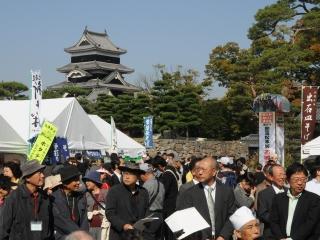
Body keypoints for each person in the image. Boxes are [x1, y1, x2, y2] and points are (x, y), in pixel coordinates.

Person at [177, 156, 236, 240]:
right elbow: (184, 220)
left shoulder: (227, 191)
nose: (200, 173)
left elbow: (232, 215)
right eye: (198, 169)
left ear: (214, 172)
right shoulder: (189, 194)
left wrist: (223, 236)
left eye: (203, 169)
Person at [0, 160, 54, 240]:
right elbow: (2, 228)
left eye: (42, 172)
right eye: (39, 173)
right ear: (28, 178)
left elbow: (50, 225)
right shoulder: (14, 197)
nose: (43, 176)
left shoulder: (45, 197)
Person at [270, 162, 320, 239]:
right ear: (288, 180)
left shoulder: (314, 199)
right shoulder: (278, 198)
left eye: (303, 179)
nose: (300, 183)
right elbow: (274, 221)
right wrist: (280, 238)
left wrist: (292, 239)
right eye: (296, 179)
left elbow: (310, 224)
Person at [105, 161, 149, 240]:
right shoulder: (114, 191)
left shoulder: (143, 192)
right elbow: (110, 212)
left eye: (130, 174)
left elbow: (146, 212)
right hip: (119, 235)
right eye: (125, 173)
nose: (126, 177)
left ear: (138, 176)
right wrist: (123, 225)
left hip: (137, 235)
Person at [52, 165, 89, 240]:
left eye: (78, 179)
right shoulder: (54, 199)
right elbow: (60, 221)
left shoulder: (81, 197)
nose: (78, 182)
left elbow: (84, 220)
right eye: (75, 180)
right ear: (65, 183)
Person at [257, 164, 286, 239]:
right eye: (280, 175)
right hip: (271, 234)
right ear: (271, 177)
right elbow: (262, 214)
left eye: (284, 174)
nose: (283, 177)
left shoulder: (289, 191)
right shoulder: (263, 194)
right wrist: (279, 220)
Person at [139, 163, 165, 240]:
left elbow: (142, 203)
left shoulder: (147, 185)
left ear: (144, 174)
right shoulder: (161, 184)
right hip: (160, 215)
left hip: (150, 216)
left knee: (148, 237)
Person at [83, 170, 109, 240]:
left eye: (89, 180)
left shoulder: (106, 193)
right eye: (85, 181)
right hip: (90, 227)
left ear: (95, 181)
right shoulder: (86, 194)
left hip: (103, 226)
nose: (86, 183)